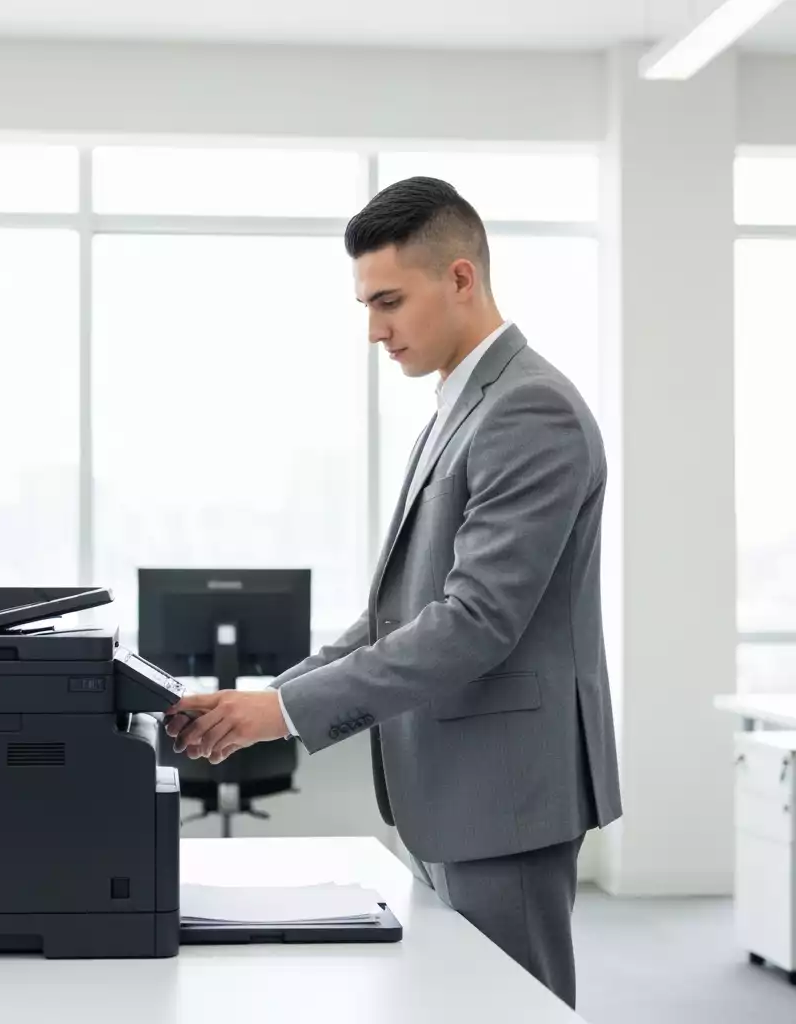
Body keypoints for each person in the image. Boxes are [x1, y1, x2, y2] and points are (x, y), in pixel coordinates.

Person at [164, 176, 622, 1008]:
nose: (375, 330)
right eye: (366, 305)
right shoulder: (460, 406)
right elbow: (396, 615)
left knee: (511, 1009)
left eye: (389, 301)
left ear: (460, 278)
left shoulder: (530, 410)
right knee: (462, 1005)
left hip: (505, 791)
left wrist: (282, 714)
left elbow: (474, 623)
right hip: (455, 786)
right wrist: (266, 700)